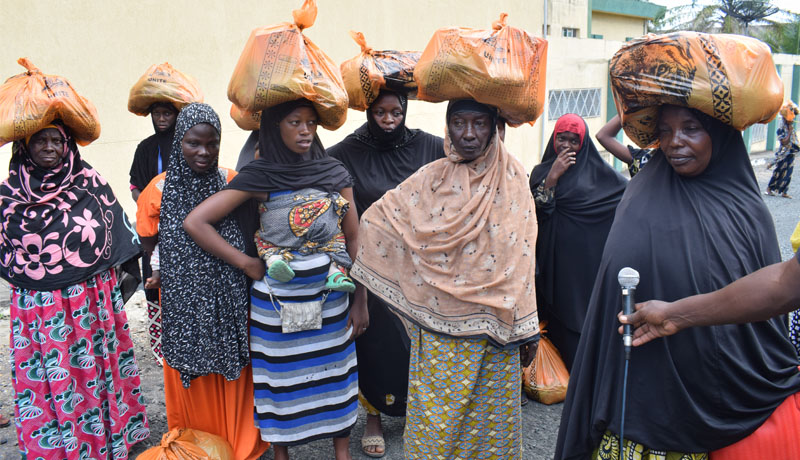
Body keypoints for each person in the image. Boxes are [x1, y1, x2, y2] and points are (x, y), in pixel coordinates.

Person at [555, 105, 800, 460]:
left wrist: (679, 315)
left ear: (719, 135)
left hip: (713, 396)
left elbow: (777, 293)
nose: (675, 142)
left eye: (691, 128)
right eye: (665, 131)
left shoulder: (747, 210)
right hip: (636, 386)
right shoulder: (642, 189)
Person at [351, 99, 540, 460]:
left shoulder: (513, 178)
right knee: (436, 429)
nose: (468, 134)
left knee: (490, 433)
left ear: (494, 126)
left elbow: (523, 256)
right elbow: (377, 221)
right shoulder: (431, 178)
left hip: (496, 333)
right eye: (458, 122)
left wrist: (529, 326)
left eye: (479, 123)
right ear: (447, 126)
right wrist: (412, 282)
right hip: (438, 335)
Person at [183, 98, 368, 460]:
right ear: (273, 127)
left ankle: (342, 454)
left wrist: (361, 299)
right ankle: (281, 454)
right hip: (275, 307)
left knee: (335, 378)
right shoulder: (259, 176)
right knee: (280, 384)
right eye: (294, 122)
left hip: (332, 299)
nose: (304, 130)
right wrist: (247, 264)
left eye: (311, 123)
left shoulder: (333, 172)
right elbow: (195, 222)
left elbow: (355, 235)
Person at [0, 121, 150, 459]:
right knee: (56, 372)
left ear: (68, 145)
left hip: (90, 302)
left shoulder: (89, 184)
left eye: (57, 141)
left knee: (94, 366)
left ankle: (109, 437)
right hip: (42, 309)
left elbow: (113, 231)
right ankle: (59, 444)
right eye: (40, 140)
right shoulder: (8, 196)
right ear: (24, 146)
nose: (50, 148)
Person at [327, 89, 443, 457]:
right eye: (380, 112)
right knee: (375, 341)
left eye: (396, 112)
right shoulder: (348, 151)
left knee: (420, 344)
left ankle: (417, 415)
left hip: (422, 265)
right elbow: (319, 169)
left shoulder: (428, 146)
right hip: (372, 264)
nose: (389, 120)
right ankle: (374, 415)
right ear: (369, 112)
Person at [152, 103, 268, 460]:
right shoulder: (161, 193)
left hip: (230, 309)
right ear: (178, 143)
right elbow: (160, 255)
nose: (204, 152)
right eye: (193, 143)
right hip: (187, 318)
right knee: (196, 387)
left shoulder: (231, 184)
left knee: (235, 383)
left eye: (212, 143)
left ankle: (240, 444)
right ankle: (198, 445)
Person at [529, 113, 627, 370]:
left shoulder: (602, 176)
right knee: (555, 314)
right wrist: (552, 178)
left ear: (583, 144)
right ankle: (552, 373)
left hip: (587, 266)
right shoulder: (541, 172)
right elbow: (535, 214)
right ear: (554, 139)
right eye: (562, 139)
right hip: (552, 261)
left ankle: (583, 372)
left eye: (574, 141)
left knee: (581, 317)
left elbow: (627, 197)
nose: (566, 146)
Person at [129, 101, 180, 361]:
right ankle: (161, 347)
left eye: (167, 113)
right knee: (154, 280)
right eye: (157, 113)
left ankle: (184, 341)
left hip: (185, 224)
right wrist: (150, 205)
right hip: (152, 224)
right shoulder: (145, 148)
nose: (161, 118)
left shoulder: (188, 143)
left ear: (177, 115)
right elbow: (135, 185)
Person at [765, 101, 799, 198]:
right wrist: (789, 133)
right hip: (783, 153)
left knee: (788, 172)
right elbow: (783, 141)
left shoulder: (790, 127)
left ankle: (784, 191)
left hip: (791, 153)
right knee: (778, 171)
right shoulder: (781, 129)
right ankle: (769, 188)